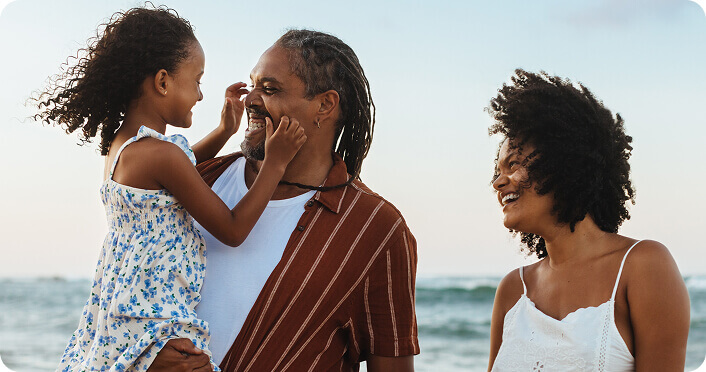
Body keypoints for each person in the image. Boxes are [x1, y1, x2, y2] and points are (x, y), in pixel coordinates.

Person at [33, 6, 306, 371]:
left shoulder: (126, 147)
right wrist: (275, 163)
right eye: (197, 81)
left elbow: (183, 166)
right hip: (156, 315)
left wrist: (224, 131)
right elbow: (232, 229)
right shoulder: (162, 156)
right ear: (163, 82)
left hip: (125, 307)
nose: (200, 95)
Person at [148, 30, 419, 372]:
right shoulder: (197, 179)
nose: (250, 100)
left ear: (324, 105)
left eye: (270, 89)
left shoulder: (375, 228)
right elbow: (122, 279)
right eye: (253, 86)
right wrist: (143, 356)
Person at [486, 70, 690, 371]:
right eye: (497, 170)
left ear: (563, 163)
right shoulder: (513, 290)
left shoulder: (643, 266)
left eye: (513, 164)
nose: (498, 183)